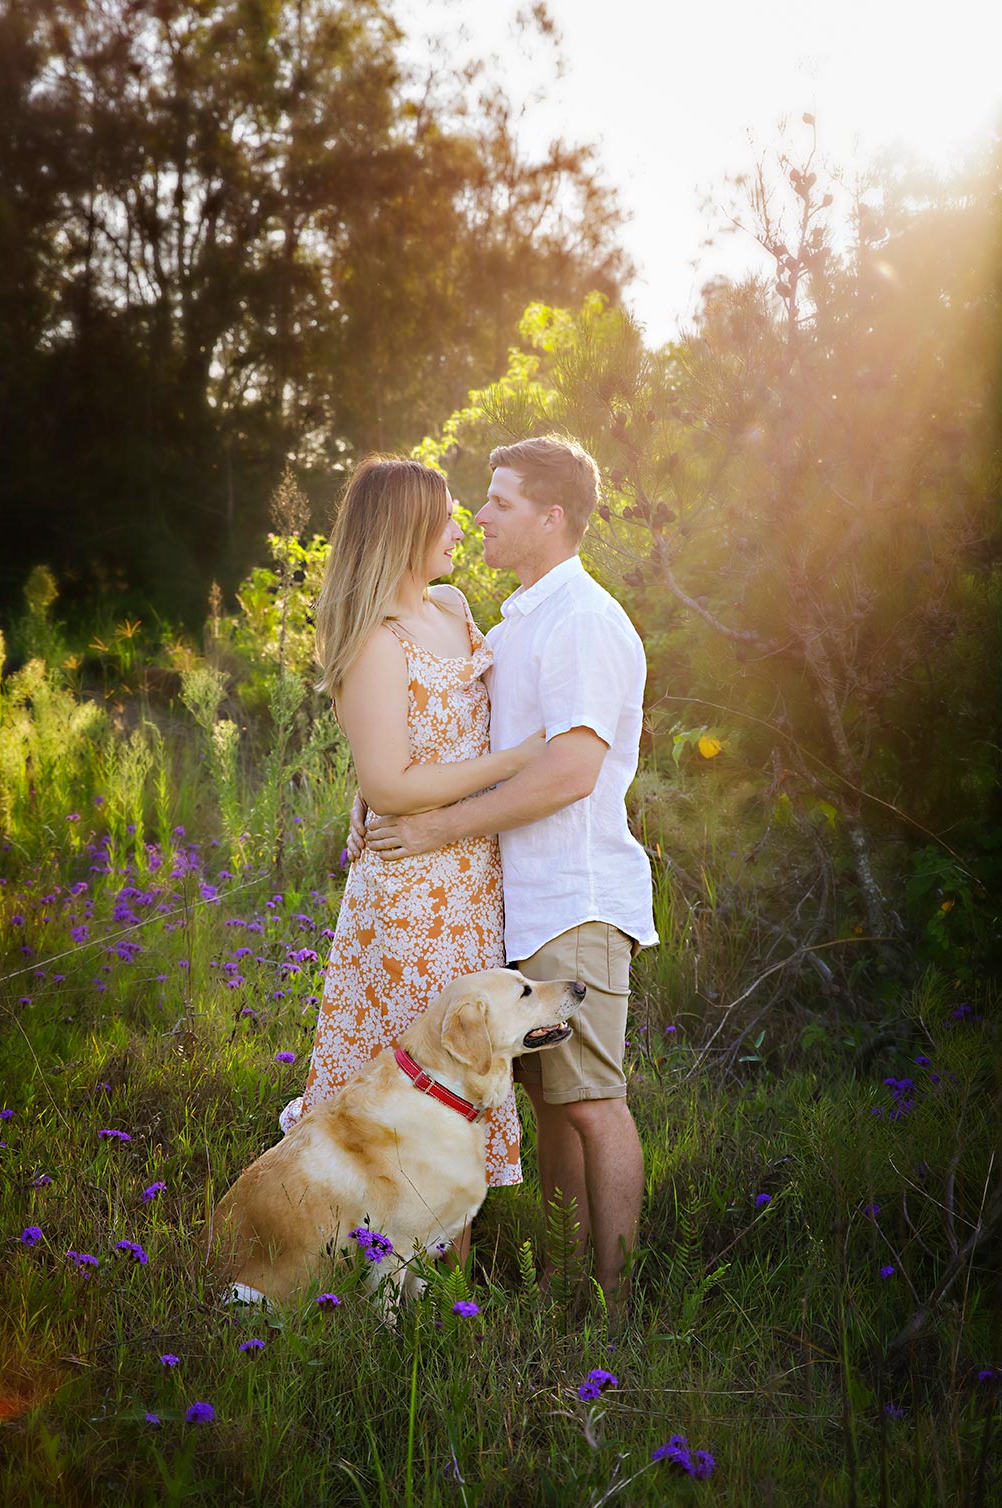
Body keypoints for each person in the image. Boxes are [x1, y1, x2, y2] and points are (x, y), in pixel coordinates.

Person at [364, 435, 658, 1310]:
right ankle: (568, 1286)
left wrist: (441, 826)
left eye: (498, 502)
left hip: (576, 898)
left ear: (551, 516)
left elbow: (571, 772)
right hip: (515, 904)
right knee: (550, 1102)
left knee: (592, 1101)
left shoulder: (583, 621)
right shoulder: (523, 614)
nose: (478, 516)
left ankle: (612, 1313)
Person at [280, 456, 546, 1228]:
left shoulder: (454, 606)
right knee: (427, 1082)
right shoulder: (376, 642)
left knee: (469, 1060)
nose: (463, 529)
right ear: (406, 531)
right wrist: (516, 763)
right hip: (413, 890)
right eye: (448, 518)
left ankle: (439, 1286)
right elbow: (390, 783)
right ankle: (408, 1295)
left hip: (471, 875)